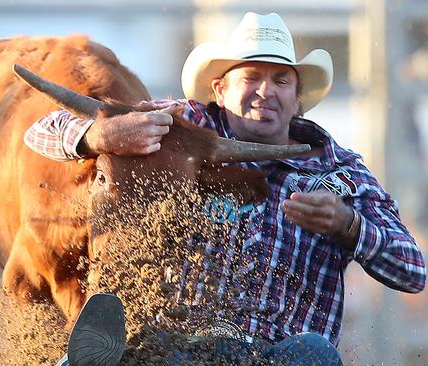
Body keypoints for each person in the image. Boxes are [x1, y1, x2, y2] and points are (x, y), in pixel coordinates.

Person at [26, 12, 427, 365]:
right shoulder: (178, 126)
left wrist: (348, 224)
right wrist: (99, 133)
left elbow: (412, 271)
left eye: (281, 80)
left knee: (316, 353)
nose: (266, 91)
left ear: (297, 97)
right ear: (220, 90)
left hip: (281, 351)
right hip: (180, 342)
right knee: (153, 348)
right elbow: (41, 131)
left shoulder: (341, 171)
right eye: (251, 77)